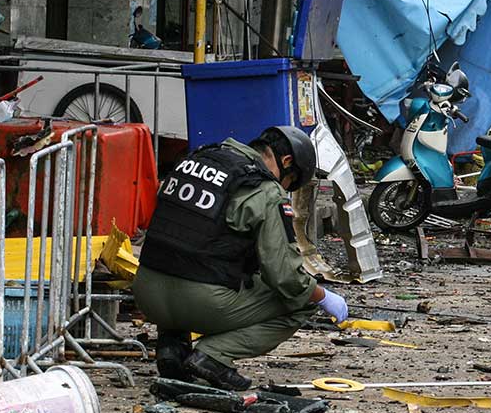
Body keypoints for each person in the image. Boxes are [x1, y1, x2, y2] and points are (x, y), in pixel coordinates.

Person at [133, 126, 348, 390]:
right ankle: (212, 356)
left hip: (146, 294)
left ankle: (172, 348)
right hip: (199, 301)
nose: (285, 189)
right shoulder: (264, 189)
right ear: (286, 162)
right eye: (290, 182)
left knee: (185, 251)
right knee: (301, 301)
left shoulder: (196, 160)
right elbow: (285, 276)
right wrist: (322, 296)